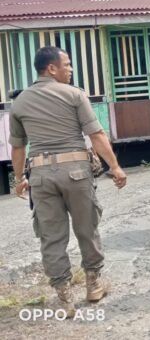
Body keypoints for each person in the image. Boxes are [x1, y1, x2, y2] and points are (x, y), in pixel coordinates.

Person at [9, 46, 127, 318]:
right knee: (87, 228)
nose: (70, 70)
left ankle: (64, 297)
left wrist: (19, 179)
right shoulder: (75, 95)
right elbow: (96, 134)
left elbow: (17, 147)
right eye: (67, 64)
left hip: (39, 175)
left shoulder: (21, 102)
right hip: (76, 172)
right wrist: (116, 167)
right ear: (52, 68)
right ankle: (93, 285)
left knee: (51, 237)